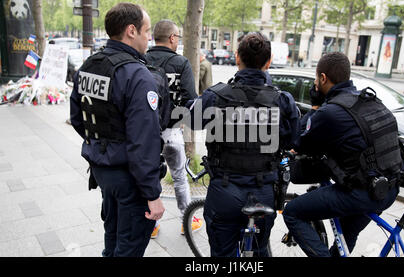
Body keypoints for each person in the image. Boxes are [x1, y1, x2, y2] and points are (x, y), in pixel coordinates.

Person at [186, 32, 301, 257]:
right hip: (263, 191)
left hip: (224, 191)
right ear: (268, 62)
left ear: (237, 57)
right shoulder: (282, 100)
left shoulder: (216, 96)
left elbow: (191, 119)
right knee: (259, 252)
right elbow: (292, 140)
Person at [283, 52, 403, 257]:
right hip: (389, 189)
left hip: (363, 194)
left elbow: (299, 141)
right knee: (347, 233)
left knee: (292, 212)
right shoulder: (370, 101)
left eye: (315, 79)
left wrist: (314, 107)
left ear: (322, 78)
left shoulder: (330, 112)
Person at [69, 3, 166, 257]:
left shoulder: (89, 65)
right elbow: (143, 142)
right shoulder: (137, 75)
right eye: (146, 32)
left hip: (102, 171)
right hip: (130, 179)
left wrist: (103, 145)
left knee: (111, 243)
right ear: (131, 31)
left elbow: (78, 119)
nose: (149, 38)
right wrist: (153, 194)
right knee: (128, 249)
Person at [145, 19, 200, 238]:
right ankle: (187, 222)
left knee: (151, 176)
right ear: (171, 38)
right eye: (177, 37)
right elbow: (191, 99)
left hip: (147, 133)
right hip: (172, 132)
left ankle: (152, 225)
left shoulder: (143, 59)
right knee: (178, 176)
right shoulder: (181, 63)